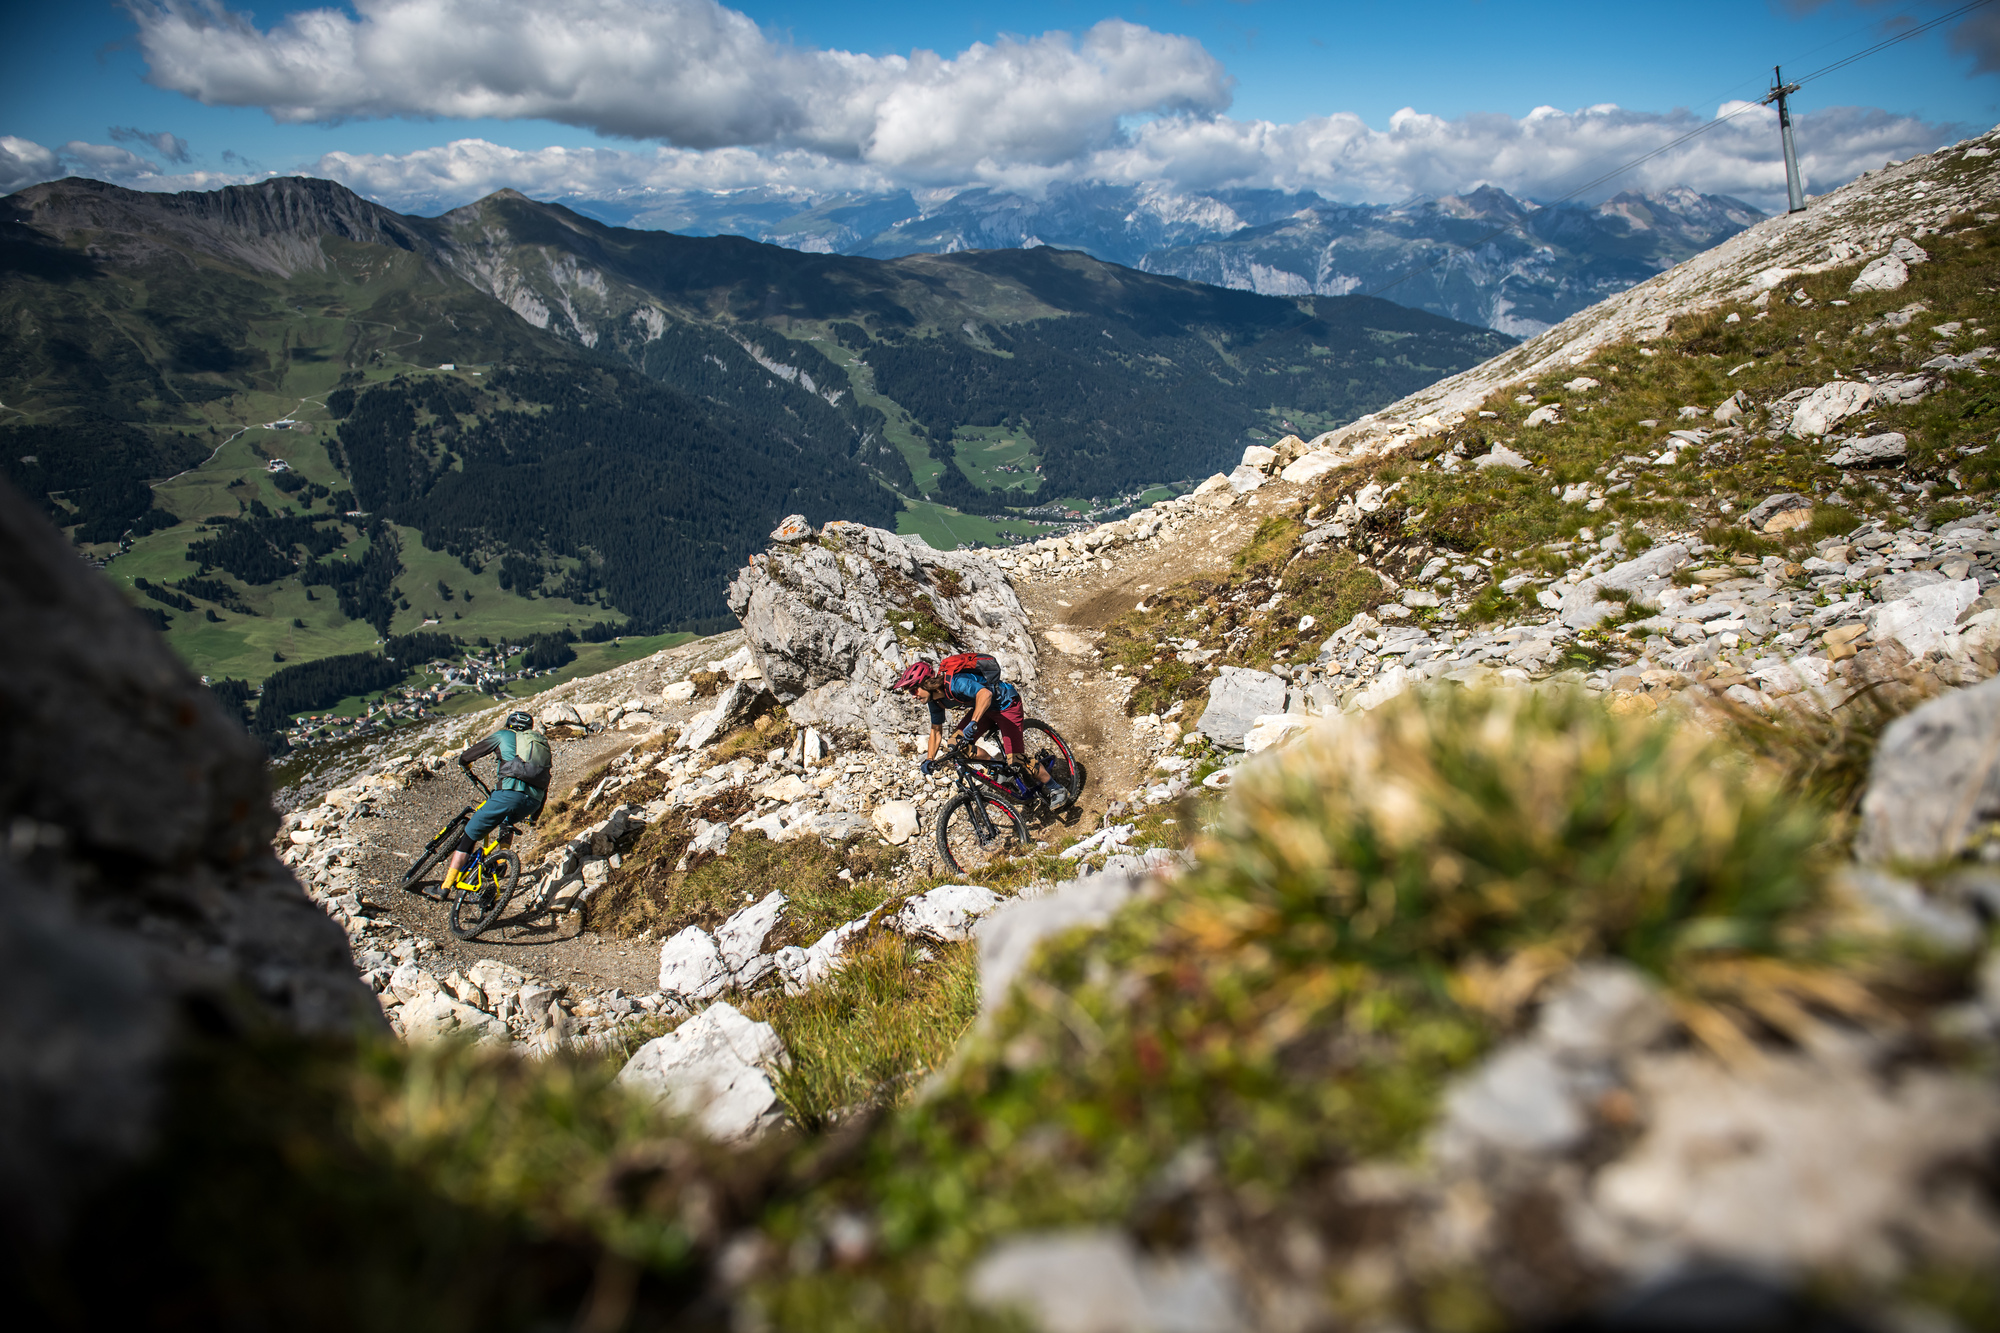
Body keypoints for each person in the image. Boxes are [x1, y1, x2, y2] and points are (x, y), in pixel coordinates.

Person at [891, 660, 1072, 810]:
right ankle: (997, 769)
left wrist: (974, 721)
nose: (913, 695)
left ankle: (1056, 788)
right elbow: (935, 731)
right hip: (984, 711)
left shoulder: (954, 682)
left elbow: (984, 694)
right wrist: (929, 759)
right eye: (910, 692)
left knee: (1016, 758)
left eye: (914, 690)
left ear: (926, 683)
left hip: (1006, 704)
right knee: (955, 744)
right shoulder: (935, 702)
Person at [434, 709, 551, 899]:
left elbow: (469, 755)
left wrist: (464, 763)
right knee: (507, 822)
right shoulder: (538, 746)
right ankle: (501, 860)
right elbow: (544, 779)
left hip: (507, 794)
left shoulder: (504, 735)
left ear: (509, 724)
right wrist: (535, 815)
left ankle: (444, 887)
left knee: (470, 834)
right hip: (533, 802)